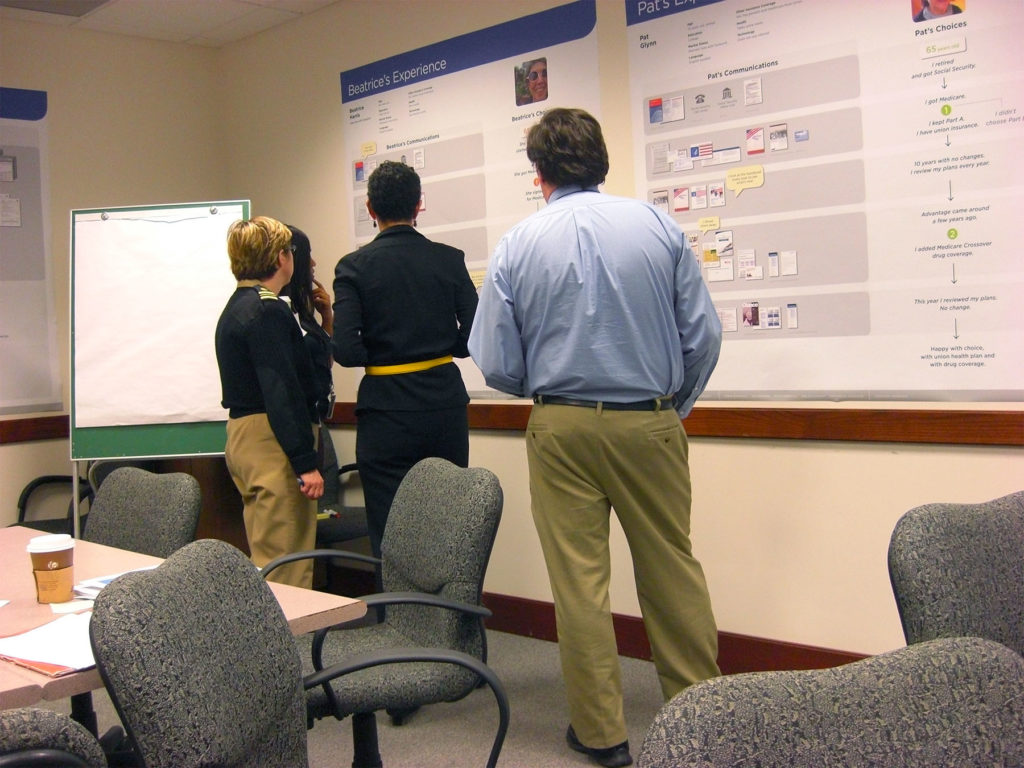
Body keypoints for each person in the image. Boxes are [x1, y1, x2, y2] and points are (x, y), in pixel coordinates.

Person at [469, 108, 722, 768]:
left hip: (560, 425)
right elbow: (705, 335)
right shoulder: (657, 225)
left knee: (579, 585)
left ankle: (602, 735)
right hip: (651, 419)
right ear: (601, 161)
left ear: (539, 172)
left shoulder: (518, 243)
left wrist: (543, 385)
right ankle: (705, 721)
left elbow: (495, 360)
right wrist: (673, 405)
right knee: (673, 571)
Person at [332, 160, 477, 563]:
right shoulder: (449, 259)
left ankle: (395, 621)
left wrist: (382, 354)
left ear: (370, 208)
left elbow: (345, 350)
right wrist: (444, 346)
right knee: (449, 520)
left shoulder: (353, 267)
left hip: (386, 410)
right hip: (443, 406)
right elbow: (474, 335)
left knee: (389, 526)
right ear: (418, 206)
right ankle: (449, 622)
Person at [215, 216, 324, 589]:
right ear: (281, 258)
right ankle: (287, 645)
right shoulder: (268, 309)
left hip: (245, 436)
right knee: (287, 563)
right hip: (271, 439)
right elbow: (281, 391)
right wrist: (304, 462)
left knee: (267, 552)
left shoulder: (238, 305)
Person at [283, 225, 341, 512]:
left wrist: (327, 317)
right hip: (296, 431)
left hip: (315, 423)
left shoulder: (300, 312)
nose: (314, 265)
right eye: (309, 256)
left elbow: (322, 363)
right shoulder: (279, 311)